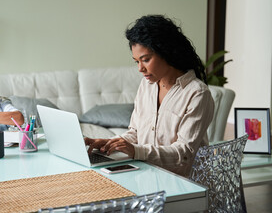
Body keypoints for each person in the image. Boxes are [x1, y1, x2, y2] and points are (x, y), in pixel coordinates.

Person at [85, 15, 214, 177]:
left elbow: (184, 152)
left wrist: (136, 151)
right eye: (136, 61)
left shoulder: (197, 93)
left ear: (166, 52)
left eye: (145, 60)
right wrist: (111, 143)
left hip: (182, 182)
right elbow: (135, 132)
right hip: (146, 173)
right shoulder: (147, 85)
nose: (140, 68)